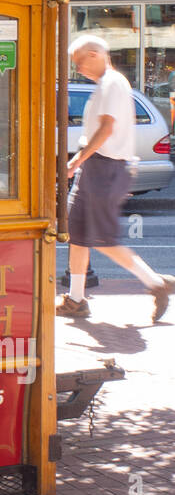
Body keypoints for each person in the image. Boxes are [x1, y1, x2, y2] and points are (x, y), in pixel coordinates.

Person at [58, 35, 173, 322]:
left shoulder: (112, 83)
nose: (78, 69)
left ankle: (155, 283)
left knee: (102, 238)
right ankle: (76, 299)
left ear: (95, 54)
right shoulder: (106, 85)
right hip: (98, 168)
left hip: (104, 169)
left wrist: (75, 161)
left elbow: (106, 129)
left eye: (80, 62)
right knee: (79, 233)